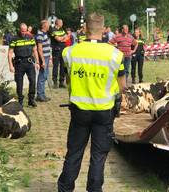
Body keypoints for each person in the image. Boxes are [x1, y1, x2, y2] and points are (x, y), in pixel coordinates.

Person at [58, 12, 126, 192]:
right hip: (104, 112)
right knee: (98, 155)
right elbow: (122, 86)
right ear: (104, 30)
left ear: (85, 28)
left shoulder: (70, 52)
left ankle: (64, 188)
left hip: (79, 111)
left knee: (74, 153)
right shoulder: (115, 55)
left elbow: (68, 80)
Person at [8, 23, 40, 107]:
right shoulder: (14, 39)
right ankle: (20, 100)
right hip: (19, 63)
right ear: (19, 30)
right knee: (19, 83)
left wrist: (37, 62)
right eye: (22, 31)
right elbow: (10, 53)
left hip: (29, 62)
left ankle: (31, 99)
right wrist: (10, 65)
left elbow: (35, 50)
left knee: (33, 81)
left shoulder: (30, 37)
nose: (24, 33)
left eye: (25, 31)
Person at [35, 20, 52, 102]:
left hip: (47, 57)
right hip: (43, 57)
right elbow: (39, 49)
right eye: (48, 24)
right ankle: (39, 95)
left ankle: (42, 94)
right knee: (42, 76)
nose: (49, 26)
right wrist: (43, 61)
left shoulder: (45, 34)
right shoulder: (40, 35)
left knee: (45, 75)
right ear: (44, 26)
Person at [51, 19, 68, 88]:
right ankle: (55, 82)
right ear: (58, 23)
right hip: (56, 50)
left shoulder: (62, 30)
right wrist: (62, 38)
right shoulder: (52, 30)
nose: (62, 24)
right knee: (55, 66)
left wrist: (62, 38)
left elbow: (67, 38)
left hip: (63, 49)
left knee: (62, 66)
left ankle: (61, 82)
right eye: (61, 22)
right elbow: (58, 39)